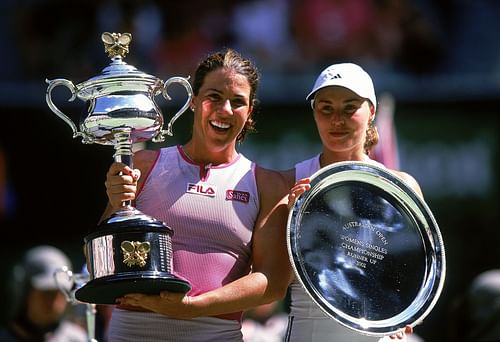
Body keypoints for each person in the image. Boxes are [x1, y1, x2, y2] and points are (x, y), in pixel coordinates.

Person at [101, 48, 291, 341]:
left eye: (237, 102)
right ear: (193, 101)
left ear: (249, 111)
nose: (225, 109)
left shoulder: (267, 184)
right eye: (214, 96)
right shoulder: (144, 165)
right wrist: (116, 205)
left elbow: (272, 283)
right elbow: (98, 260)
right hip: (132, 332)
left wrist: (193, 307)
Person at [282, 63, 420, 341]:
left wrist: (405, 313)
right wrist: (291, 225)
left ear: (372, 112)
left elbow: (410, 273)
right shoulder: (286, 184)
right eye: (326, 108)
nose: (337, 119)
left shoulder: (403, 187)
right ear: (314, 113)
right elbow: (274, 285)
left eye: (349, 108)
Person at [0, 245, 88, 342]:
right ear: (24, 292)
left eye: (62, 294)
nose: (55, 305)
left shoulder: (77, 339)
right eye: (47, 294)